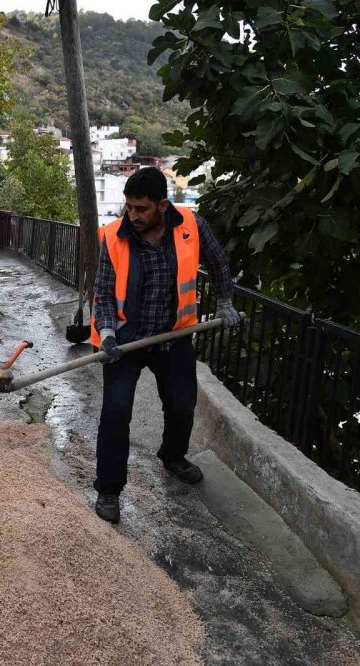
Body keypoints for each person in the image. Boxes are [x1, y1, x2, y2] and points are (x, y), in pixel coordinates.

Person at [90, 167, 242, 524]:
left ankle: (173, 456)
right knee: (115, 412)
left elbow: (219, 264)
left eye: (141, 209)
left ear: (162, 205)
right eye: (129, 207)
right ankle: (109, 489)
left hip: (173, 336)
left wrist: (225, 302)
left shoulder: (190, 224)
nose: (133, 216)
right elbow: (105, 293)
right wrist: (108, 333)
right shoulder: (113, 237)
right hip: (126, 341)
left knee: (181, 404)